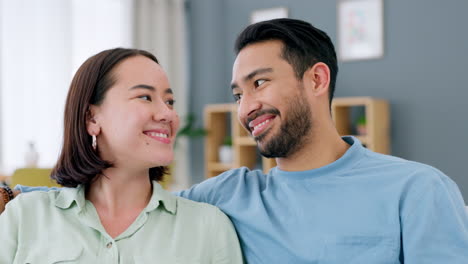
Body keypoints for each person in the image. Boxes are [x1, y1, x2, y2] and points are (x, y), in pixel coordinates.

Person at [2, 18, 468, 263]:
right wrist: (18, 195)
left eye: (260, 83)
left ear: (317, 79)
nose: (246, 108)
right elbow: (126, 202)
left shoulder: (418, 191)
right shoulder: (229, 196)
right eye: (237, 93)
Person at [0, 48, 243, 263]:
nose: (168, 114)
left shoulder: (209, 227)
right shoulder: (23, 217)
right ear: (92, 119)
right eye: (145, 97)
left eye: (169, 101)